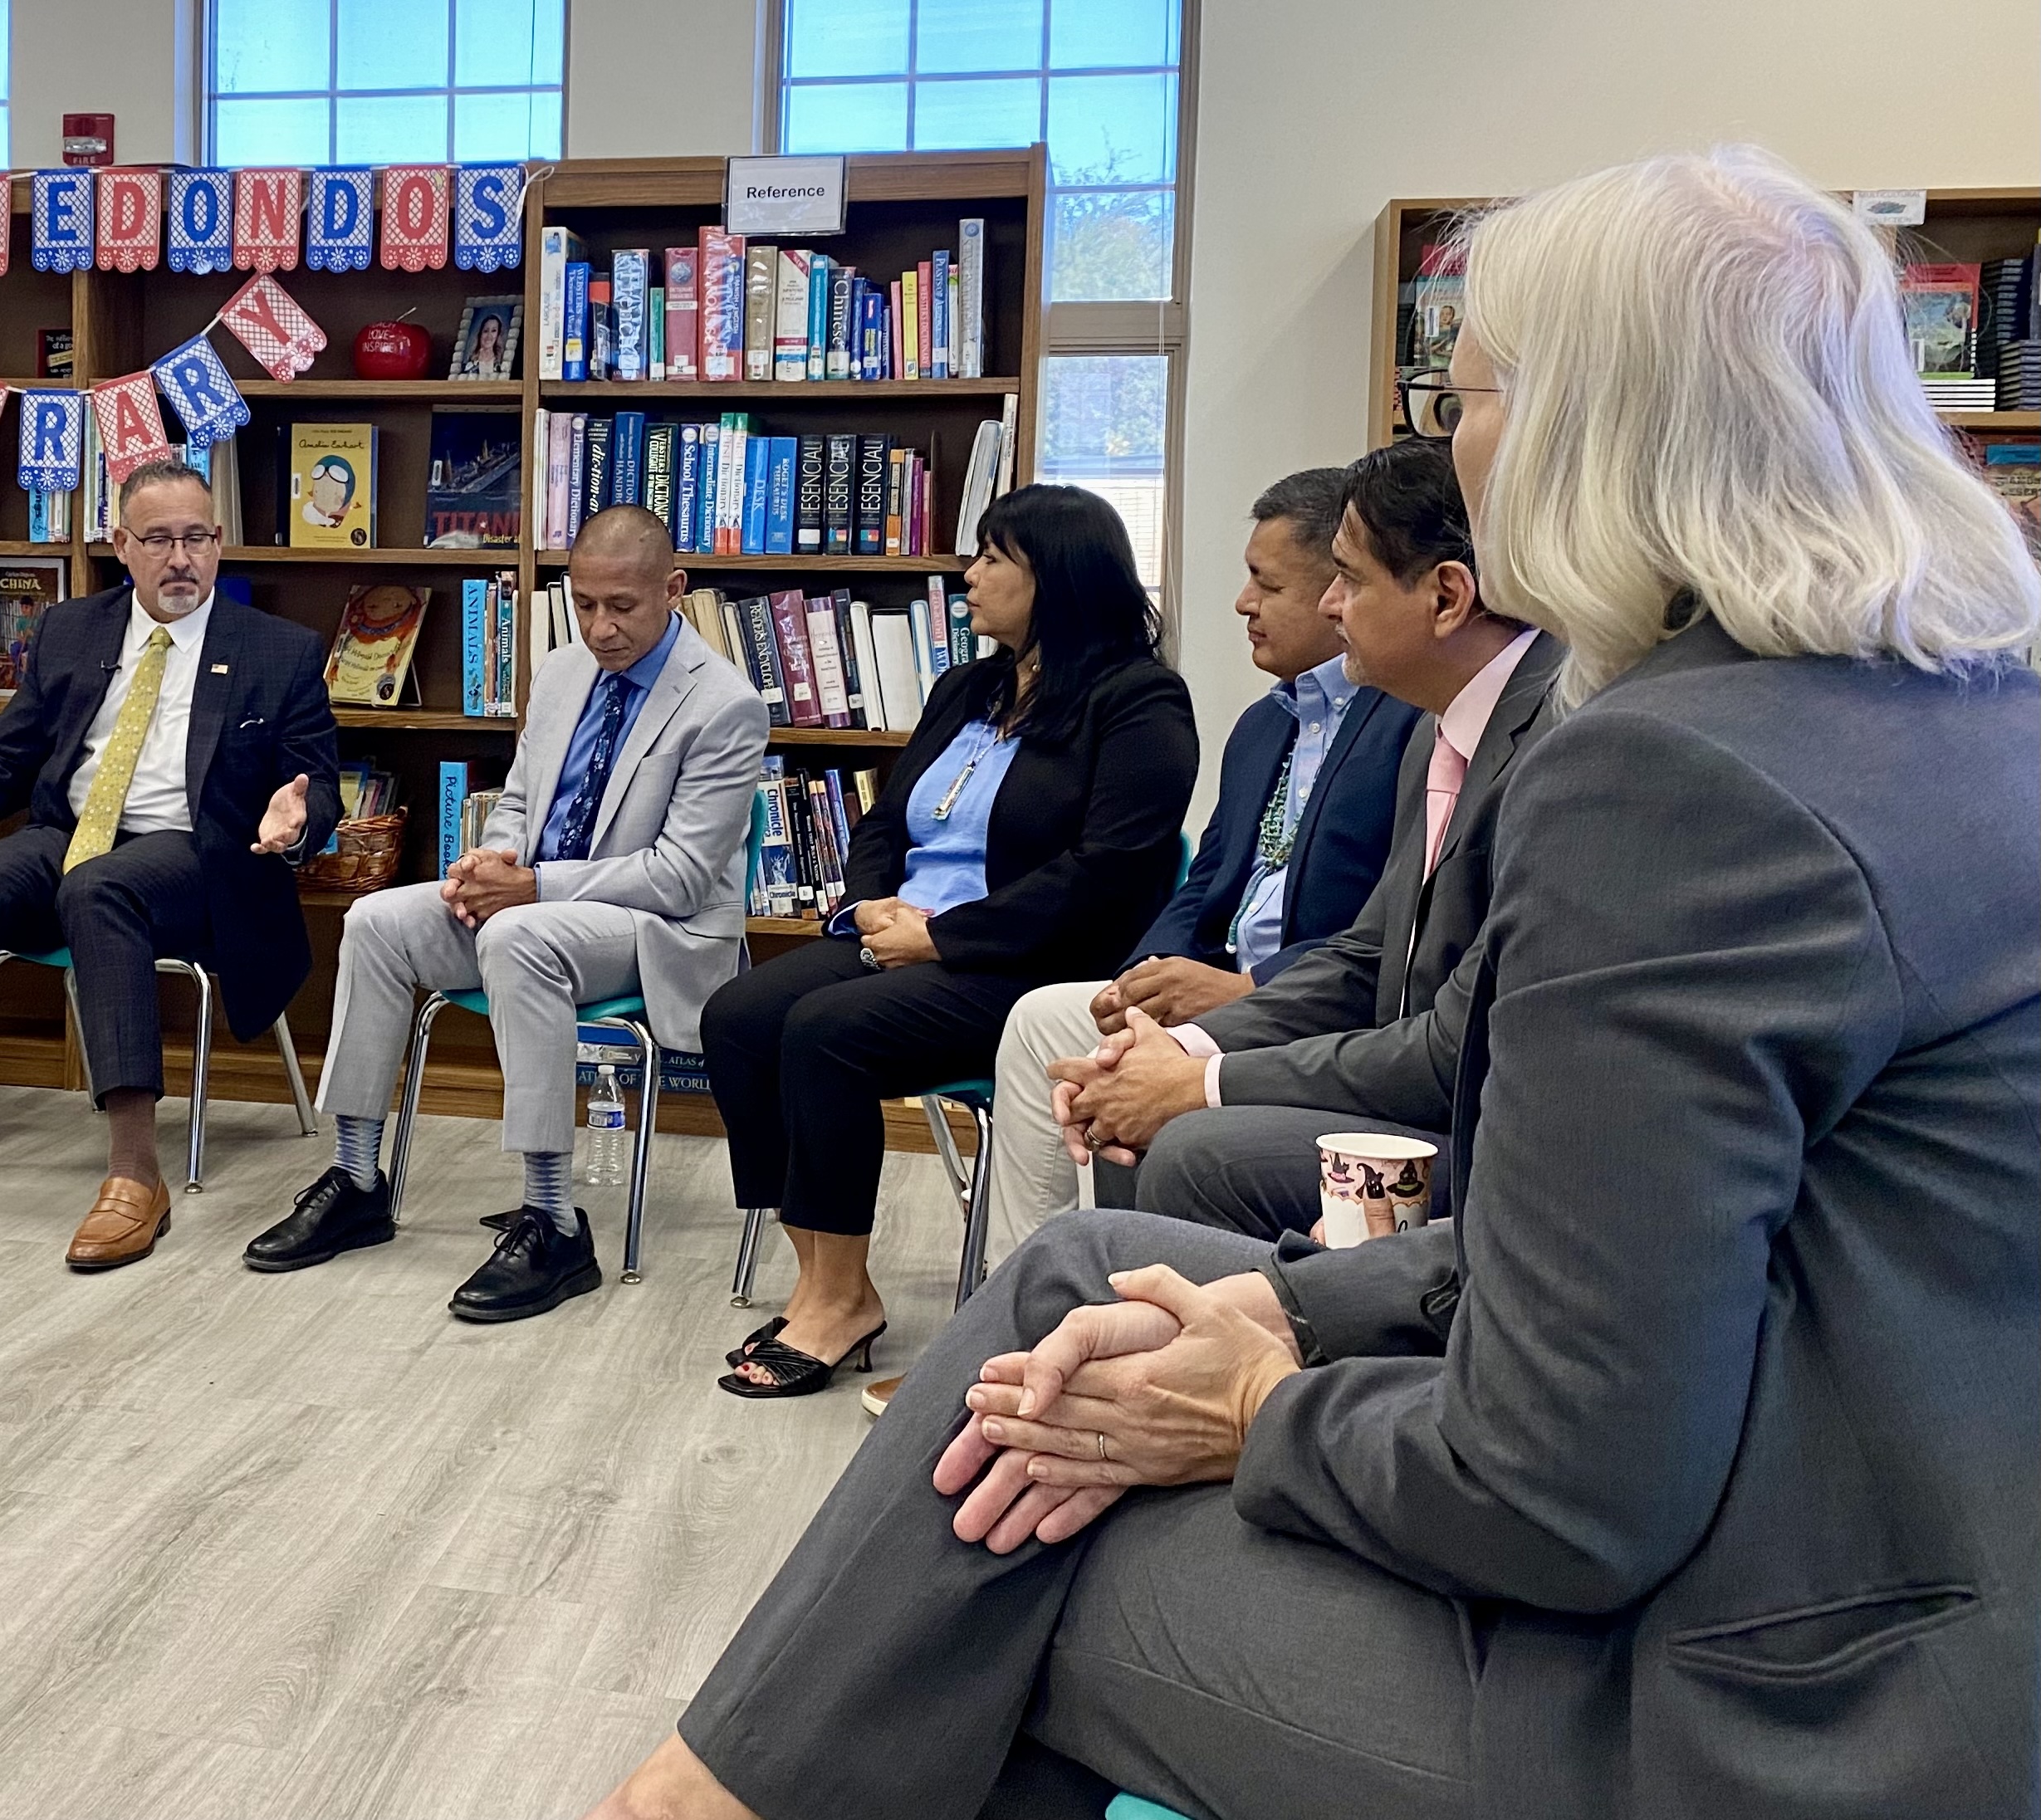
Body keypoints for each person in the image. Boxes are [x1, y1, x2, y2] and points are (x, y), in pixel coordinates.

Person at [582, 144, 2039, 1820]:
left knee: (994, 1557)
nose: (1451, 438)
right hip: (1893, 1554)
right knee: (1079, 1279)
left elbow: (1565, 1492)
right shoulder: (1963, 710)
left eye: (1466, 394)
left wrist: (1259, 1406)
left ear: (1590, 425)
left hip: (1781, 1701)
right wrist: (1281, 1306)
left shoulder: (1673, 781)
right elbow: (1645, 1256)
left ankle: (696, 1798)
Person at [700, 485, 1197, 1397]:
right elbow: (884, 821)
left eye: (992, 558)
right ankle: (820, 1271)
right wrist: (868, 908)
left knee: (823, 1030)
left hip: (1027, 965)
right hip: (902, 936)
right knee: (736, 1017)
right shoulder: (967, 686)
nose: (967, 575)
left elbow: (1107, 873)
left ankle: (841, 1301)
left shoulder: (1139, 701)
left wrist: (942, 935)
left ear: (1057, 577)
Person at [0, 458, 337, 1272]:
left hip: (199, 856)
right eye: (158, 540)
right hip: (74, 830)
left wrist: (297, 820)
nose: (180, 557)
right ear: (121, 544)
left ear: (219, 542)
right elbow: (6, 764)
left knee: (100, 886)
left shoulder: (277, 650)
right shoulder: (72, 627)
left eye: (197, 538)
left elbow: (315, 782)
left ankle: (134, 1169)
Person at [247, 505, 763, 1322]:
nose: (600, 627)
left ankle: (554, 1222)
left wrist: (532, 889)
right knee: (376, 921)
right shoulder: (561, 672)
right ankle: (355, 1177)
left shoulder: (725, 704)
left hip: (653, 930)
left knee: (520, 935)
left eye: (623, 606)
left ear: (674, 588)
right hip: (540, 906)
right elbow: (522, 802)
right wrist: (492, 861)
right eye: (585, 602)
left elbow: (682, 877)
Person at [1052, 435, 1564, 1242]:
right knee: (1141, 1113)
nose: (1331, 606)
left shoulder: (1555, 740)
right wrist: (1178, 1044)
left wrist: (1200, 1080)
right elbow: (1366, 960)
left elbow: (1455, 1047)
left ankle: (1229, 1361)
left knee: (1195, 1148)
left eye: (1351, 581)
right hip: (1415, 1091)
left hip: (1503, 1144)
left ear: (1447, 596)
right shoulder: (1442, 733)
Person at [977, 467, 1419, 1251]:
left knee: (1091, 1059)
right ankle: (1031, 1277)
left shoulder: (1408, 726)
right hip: (1219, 985)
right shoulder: (1262, 725)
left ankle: (1097, 1287)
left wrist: (1247, 987)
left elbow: (1389, 932)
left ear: (1335, 591)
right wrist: (1143, 981)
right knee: (1049, 1022)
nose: (1242, 604)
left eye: (1264, 583)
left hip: (1309, 1005)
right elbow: (1207, 881)